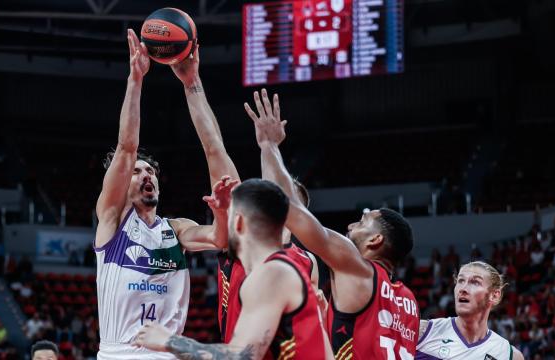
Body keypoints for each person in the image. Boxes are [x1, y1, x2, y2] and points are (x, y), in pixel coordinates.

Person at [94, 29, 238, 359]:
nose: (147, 176)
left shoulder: (174, 230)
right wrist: (136, 79)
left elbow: (219, 239)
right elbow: (126, 148)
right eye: (138, 171)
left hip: (169, 353)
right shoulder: (112, 221)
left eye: (152, 172)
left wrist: (221, 212)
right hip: (120, 354)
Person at [244, 89, 418, 359]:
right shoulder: (409, 301)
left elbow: (288, 208)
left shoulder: (358, 268)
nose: (351, 225)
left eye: (363, 221)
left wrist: (269, 146)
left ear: (376, 240)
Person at [170, 46, 323, 342]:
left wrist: (271, 149)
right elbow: (213, 148)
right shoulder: (240, 239)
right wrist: (192, 84)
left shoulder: (307, 262)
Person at [134, 179, 333, 359]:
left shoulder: (274, 274)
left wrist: (169, 341)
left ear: (238, 222)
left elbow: (240, 356)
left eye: (229, 214)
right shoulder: (275, 269)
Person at [416, 261, 524, 359]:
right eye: (461, 281)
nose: (463, 289)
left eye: (475, 282)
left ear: (494, 295)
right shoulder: (422, 331)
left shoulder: (509, 355)